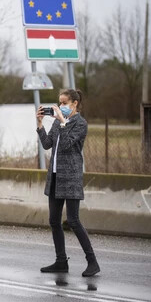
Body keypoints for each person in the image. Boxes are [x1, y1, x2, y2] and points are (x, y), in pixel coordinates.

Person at [36, 88, 100, 277]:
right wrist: (40, 125)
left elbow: (66, 144)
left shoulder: (81, 124)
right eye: (59, 103)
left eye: (64, 103)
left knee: (73, 220)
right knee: (53, 220)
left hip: (71, 178)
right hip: (55, 177)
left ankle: (93, 262)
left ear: (74, 103)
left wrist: (63, 123)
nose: (60, 106)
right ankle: (61, 261)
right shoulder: (57, 123)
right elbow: (48, 144)